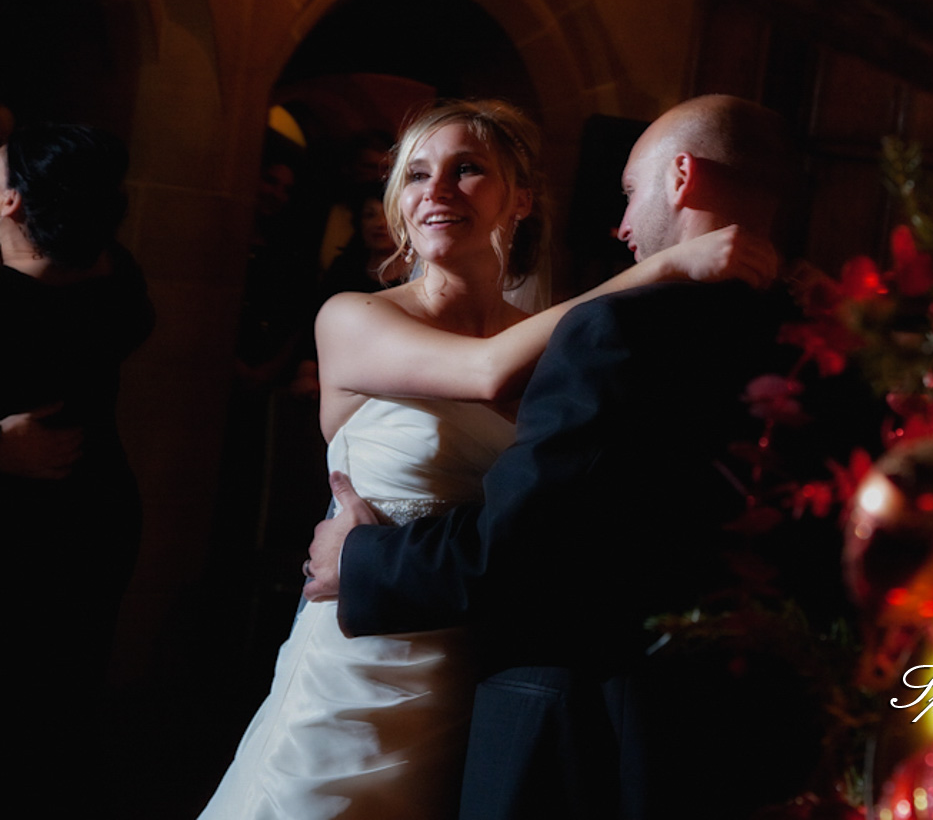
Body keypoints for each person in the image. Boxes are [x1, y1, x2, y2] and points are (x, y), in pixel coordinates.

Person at [199, 99, 775, 820]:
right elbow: (485, 373)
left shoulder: (553, 335)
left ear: (521, 199)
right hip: (364, 664)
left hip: (488, 665)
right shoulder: (353, 315)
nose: (436, 190)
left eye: (466, 169)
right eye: (416, 175)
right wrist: (665, 265)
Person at [0, 122, 154, 810]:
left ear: (12, 201)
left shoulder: (15, 302)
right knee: (58, 715)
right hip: (96, 511)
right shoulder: (115, 277)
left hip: (31, 527)